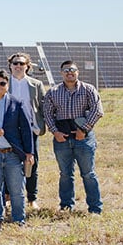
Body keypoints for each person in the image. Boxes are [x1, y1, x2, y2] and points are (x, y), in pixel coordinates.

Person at [43, 60, 104, 214]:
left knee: (88, 174)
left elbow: (98, 111)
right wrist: (55, 132)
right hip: (61, 139)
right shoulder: (53, 92)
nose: (69, 72)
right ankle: (66, 206)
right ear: (61, 73)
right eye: (66, 70)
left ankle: (95, 208)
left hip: (83, 138)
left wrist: (83, 130)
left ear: (78, 72)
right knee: (65, 174)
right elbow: (47, 114)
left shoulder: (88, 89)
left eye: (72, 70)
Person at [0, 69, 34, 228]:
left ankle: (19, 219)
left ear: (7, 85)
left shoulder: (17, 103)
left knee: (17, 190)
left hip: (12, 154)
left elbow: (26, 128)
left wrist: (29, 152)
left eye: (2, 83)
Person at [8, 52, 47, 210]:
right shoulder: (3, 83)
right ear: (10, 65)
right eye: (15, 63)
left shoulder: (36, 84)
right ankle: (8, 196)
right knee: (9, 163)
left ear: (27, 66)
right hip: (9, 130)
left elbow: (43, 106)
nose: (18, 66)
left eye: (21, 64)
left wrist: (42, 126)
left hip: (30, 130)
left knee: (31, 163)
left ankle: (32, 198)